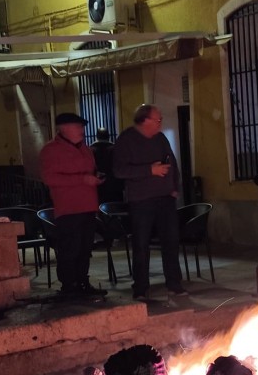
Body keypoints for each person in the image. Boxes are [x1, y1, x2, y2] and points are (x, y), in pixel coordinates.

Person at [112, 104, 187, 301]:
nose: (160, 123)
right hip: (141, 201)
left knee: (171, 242)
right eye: (157, 120)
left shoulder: (160, 138)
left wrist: (174, 187)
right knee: (141, 244)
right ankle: (141, 287)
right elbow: (119, 170)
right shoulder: (126, 140)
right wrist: (149, 170)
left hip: (165, 199)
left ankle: (174, 284)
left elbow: (172, 163)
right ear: (145, 120)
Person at [38, 112, 107, 299]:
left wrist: (95, 177)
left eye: (82, 127)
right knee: (70, 248)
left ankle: (83, 281)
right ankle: (70, 284)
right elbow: (49, 177)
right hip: (69, 208)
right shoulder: (51, 150)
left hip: (88, 205)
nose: (82, 131)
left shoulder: (85, 149)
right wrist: (83, 179)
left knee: (85, 248)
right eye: (78, 127)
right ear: (64, 128)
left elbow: (88, 170)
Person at [90, 127, 123, 204]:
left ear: (96, 136)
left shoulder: (90, 150)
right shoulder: (116, 149)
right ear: (109, 136)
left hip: (97, 185)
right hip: (115, 185)